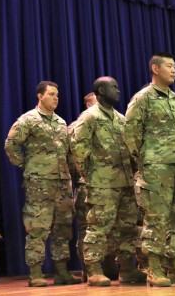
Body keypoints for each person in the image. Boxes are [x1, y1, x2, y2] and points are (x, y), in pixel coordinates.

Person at [124, 53, 175, 286]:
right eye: (169, 66)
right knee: (156, 219)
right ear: (155, 69)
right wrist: (145, 162)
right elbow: (130, 133)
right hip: (156, 168)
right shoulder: (143, 98)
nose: (174, 70)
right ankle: (154, 267)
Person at [71, 77, 146, 286]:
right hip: (102, 183)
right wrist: (91, 176)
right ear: (101, 91)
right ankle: (94, 270)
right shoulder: (89, 117)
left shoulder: (120, 119)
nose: (118, 90)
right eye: (114, 87)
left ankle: (127, 269)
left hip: (124, 183)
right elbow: (78, 148)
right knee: (98, 227)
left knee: (127, 228)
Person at [4, 81, 81, 287]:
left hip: (62, 182)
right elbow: (11, 145)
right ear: (40, 96)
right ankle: (35, 272)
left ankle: (62, 271)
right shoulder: (28, 120)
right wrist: (29, 166)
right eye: (51, 94)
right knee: (38, 226)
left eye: (57, 95)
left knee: (63, 228)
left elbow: (68, 153)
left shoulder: (61, 122)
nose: (56, 98)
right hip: (40, 182)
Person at [68, 92, 97, 282]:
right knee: (86, 229)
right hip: (86, 185)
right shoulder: (75, 128)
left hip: (109, 185)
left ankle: (110, 266)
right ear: (88, 105)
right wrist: (82, 177)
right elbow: (71, 160)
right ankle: (89, 269)